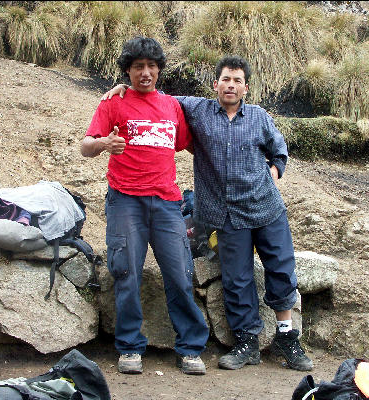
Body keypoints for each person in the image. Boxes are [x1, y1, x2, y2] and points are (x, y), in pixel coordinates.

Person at [103, 55, 314, 372]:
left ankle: (288, 338)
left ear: (246, 87)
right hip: (225, 214)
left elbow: (279, 152)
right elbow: (154, 95)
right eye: (225, 79)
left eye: (237, 80)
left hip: (267, 209)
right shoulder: (197, 110)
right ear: (215, 84)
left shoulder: (259, 117)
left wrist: (268, 178)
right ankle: (247, 343)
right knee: (237, 279)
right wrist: (124, 87)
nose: (231, 85)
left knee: (282, 271)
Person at [81, 36, 209, 376]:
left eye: (152, 67)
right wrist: (104, 143)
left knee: (180, 274)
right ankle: (129, 347)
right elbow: (85, 146)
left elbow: (187, 143)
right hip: (125, 201)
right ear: (128, 71)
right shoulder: (113, 104)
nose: (146, 73)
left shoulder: (171, 107)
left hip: (167, 204)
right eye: (138, 67)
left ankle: (191, 348)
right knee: (126, 273)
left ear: (159, 70)